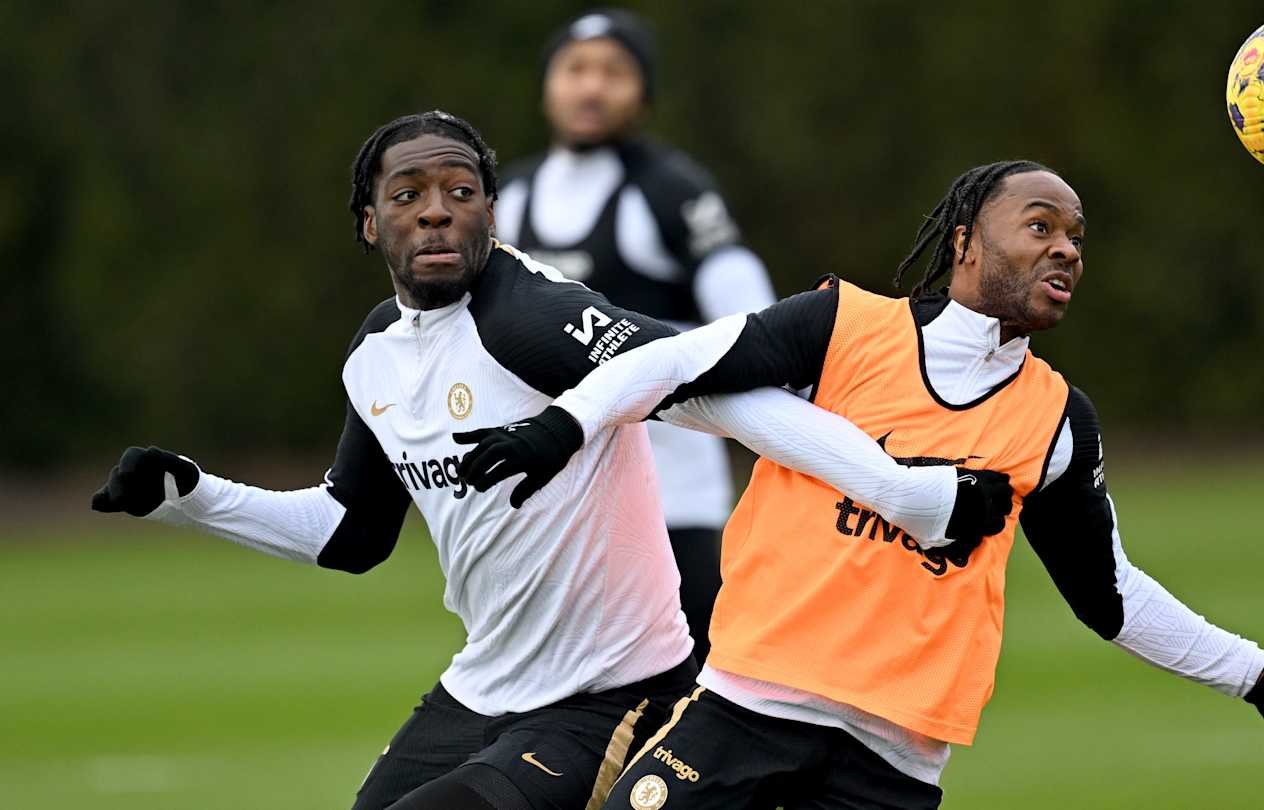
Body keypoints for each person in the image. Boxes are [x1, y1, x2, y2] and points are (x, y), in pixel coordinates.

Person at [87, 111, 991, 810]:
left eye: (461, 190)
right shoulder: (377, 354)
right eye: (407, 195)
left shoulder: (529, 317)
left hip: (615, 693)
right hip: (481, 688)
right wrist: (190, 496)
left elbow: (717, 390)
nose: (436, 209)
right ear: (368, 223)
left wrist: (901, 490)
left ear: (491, 208)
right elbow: (350, 533)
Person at [472, 161, 1264, 809]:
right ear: (968, 239)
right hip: (743, 715)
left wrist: (1261, 679)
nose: (1065, 249)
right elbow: (679, 361)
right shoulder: (844, 327)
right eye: (1041, 225)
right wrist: (564, 425)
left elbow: (1111, 598)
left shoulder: (1056, 419)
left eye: (1077, 237)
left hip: (892, 765)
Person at [494, 8, 776, 665]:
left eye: (614, 72)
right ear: (548, 86)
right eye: (576, 69)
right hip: (551, 511)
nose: (592, 88)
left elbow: (753, 318)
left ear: (643, 92)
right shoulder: (509, 198)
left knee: (699, 704)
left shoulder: (672, 192)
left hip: (672, 509)